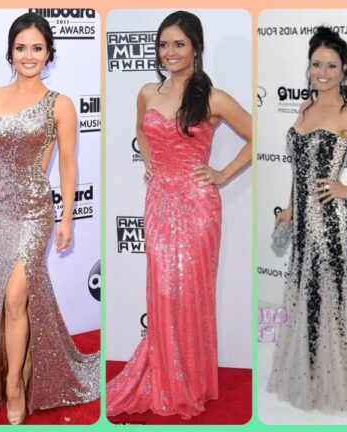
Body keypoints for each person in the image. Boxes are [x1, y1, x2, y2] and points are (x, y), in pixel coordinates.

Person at [105, 10, 252, 419]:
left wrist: (222, 173)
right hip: (158, 202)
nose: (170, 52)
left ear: (196, 48)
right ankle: (169, 374)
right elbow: (141, 130)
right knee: (164, 292)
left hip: (198, 206)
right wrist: (150, 162)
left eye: (179, 44)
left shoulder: (214, 97)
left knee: (189, 293)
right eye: (164, 44)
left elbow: (257, 137)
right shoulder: (147, 92)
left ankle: (192, 382)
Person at [0, 12, 99, 425]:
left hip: (35, 210)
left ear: (49, 54)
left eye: (37, 48)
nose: (29, 55)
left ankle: (13, 387)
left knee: (13, 298)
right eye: (21, 47)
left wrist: (66, 220)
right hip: (2, 211)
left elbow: (68, 166)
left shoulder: (59, 104)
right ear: (10, 51)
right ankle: (17, 378)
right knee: (15, 302)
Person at [267, 26, 347, 411]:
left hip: (328, 223)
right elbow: (298, 170)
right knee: (306, 295)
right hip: (303, 222)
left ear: (344, 70)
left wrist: (344, 189)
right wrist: (290, 208)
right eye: (316, 64)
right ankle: (310, 371)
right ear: (308, 67)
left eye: (331, 66)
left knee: (326, 296)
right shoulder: (304, 108)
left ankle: (330, 379)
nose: (322, 72)